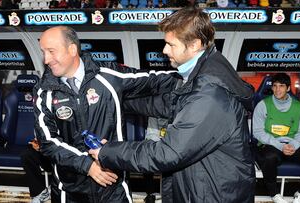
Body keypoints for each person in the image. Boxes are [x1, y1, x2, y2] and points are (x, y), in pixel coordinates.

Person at [90, 7, 255, 203]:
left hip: (213, 194)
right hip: (203, 186)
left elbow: (167, 153)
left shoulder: (209, 94)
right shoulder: (202, 75)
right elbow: (167, 104)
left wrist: (108, 152)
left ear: (194, 44)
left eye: (171, 44)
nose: (164, 50)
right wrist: (116, 99)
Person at [34, 25, 176, 203]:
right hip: (70, 191)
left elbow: (155, 79)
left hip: (113, 187)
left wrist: (197, 74)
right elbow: (48, 142)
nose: (46, 59)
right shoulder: (44, 91)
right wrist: (88, 167)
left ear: (72, 49)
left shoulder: (107, 76)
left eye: (51, 51)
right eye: (43, 52)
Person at [253, 73, 300, 203]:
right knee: (269, 158)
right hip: (272, 143)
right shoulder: (263, 105)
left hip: (293, 144)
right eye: (275, 86)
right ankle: (274, 194)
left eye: (281, 86)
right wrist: (280, 145)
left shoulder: (298, 106)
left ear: (288, 88)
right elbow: (258, 132)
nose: (277, 89)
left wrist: (294, 145)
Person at [20, 138, 52, 203]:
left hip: (61, 152)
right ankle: (41, 192)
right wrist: (37, 144)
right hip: (46, 150)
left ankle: (56, 187)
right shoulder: (40, 128)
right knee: (26, 154)